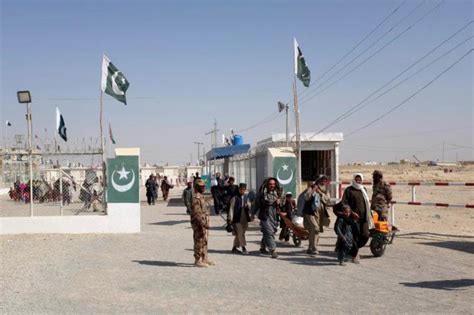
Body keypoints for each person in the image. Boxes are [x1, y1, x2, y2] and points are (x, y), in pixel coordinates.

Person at [340, 173, 374, 247]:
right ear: (354, 179)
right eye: (357, 179)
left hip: (364, 218)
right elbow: (344, 203)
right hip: (353, 218)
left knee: (366, 235)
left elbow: (366, 202)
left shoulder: (363, 189)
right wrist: (351, 212)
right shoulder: (349, 190)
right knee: (355, 234)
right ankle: (354, 251)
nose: (358, 181)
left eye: (360, 179)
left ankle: (356, 247)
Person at [253, 177, 281, 259]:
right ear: (267, 185)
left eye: (273, 184)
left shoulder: (278, 193)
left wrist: (280, 202)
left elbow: (283, 202)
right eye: (270, 184)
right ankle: (273, 250)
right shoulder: (262, 194)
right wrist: (252, 214)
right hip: (264, 215)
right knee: (269, 232)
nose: (272, 186)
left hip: (274, 216)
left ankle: (262, 247)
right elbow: (256, 204)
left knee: (270, 231)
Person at [303, 175, 331, 256]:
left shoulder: (325, 190)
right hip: (310, 212)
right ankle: (314, 247)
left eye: (325, 180)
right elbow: (306, 197)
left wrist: (320, 193)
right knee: (315, 228)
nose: (323, 182)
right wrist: (313, 191)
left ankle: (310, 247)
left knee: (314, 230)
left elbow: (327, 199)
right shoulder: (312, 187)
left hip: (320, 212)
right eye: (322, 180)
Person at [190, 179, 215, 268]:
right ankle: (197, 260)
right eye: (201, 186)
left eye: (204, 186)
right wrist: (203, 223)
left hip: (203, 222)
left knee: (204, 240)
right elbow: (197, 214)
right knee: (198, 241)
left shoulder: (201, 196)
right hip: (198, 224)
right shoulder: (196, 197)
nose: (204, 188)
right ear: (197, 187)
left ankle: (204, 258)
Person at [228, 183, 251, 254]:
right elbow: (231, 209)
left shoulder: (246, 197)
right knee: (240, 233)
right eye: (241, 189)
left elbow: (249, 206)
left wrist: (248, 205)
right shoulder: (234, 198)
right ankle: (244, 248)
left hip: (244, 218)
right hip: (237, 218)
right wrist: (230, 219)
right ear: (239, 189)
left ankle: (234, 248)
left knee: (240, 233)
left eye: (244, 189)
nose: (242, 191)